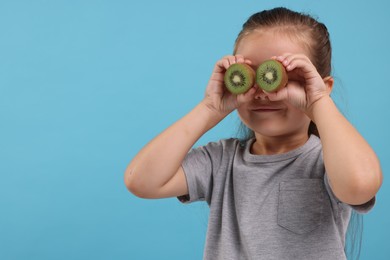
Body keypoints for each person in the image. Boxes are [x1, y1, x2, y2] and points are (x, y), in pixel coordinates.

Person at [124, 7, 382, 260]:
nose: (264, 91)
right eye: (252, 73)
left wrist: (318, 102)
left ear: (320, 86)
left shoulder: (328, 162)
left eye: (285, 76)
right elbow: (141, 180)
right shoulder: (221, 161)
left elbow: (359, 186)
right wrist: (209, 108)